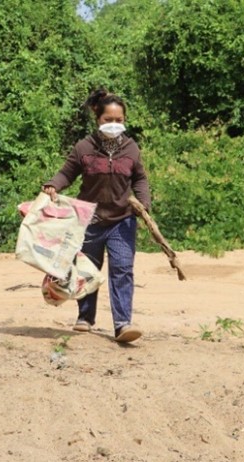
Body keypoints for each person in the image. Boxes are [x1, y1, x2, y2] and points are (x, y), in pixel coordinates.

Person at [42, 89, 151, 343]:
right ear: (98, 120)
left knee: (122, 269)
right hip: (89, 220)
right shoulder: (84, 148)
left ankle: (123, 324)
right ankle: (85, 317)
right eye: (108, 120)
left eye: (119, 120)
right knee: (88, 270)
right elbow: (67, 173)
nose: (114, 125)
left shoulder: (131, 148)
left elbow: (140, 179)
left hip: (122, 220)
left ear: (124, 120)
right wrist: (53, 185)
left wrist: (143, 203)